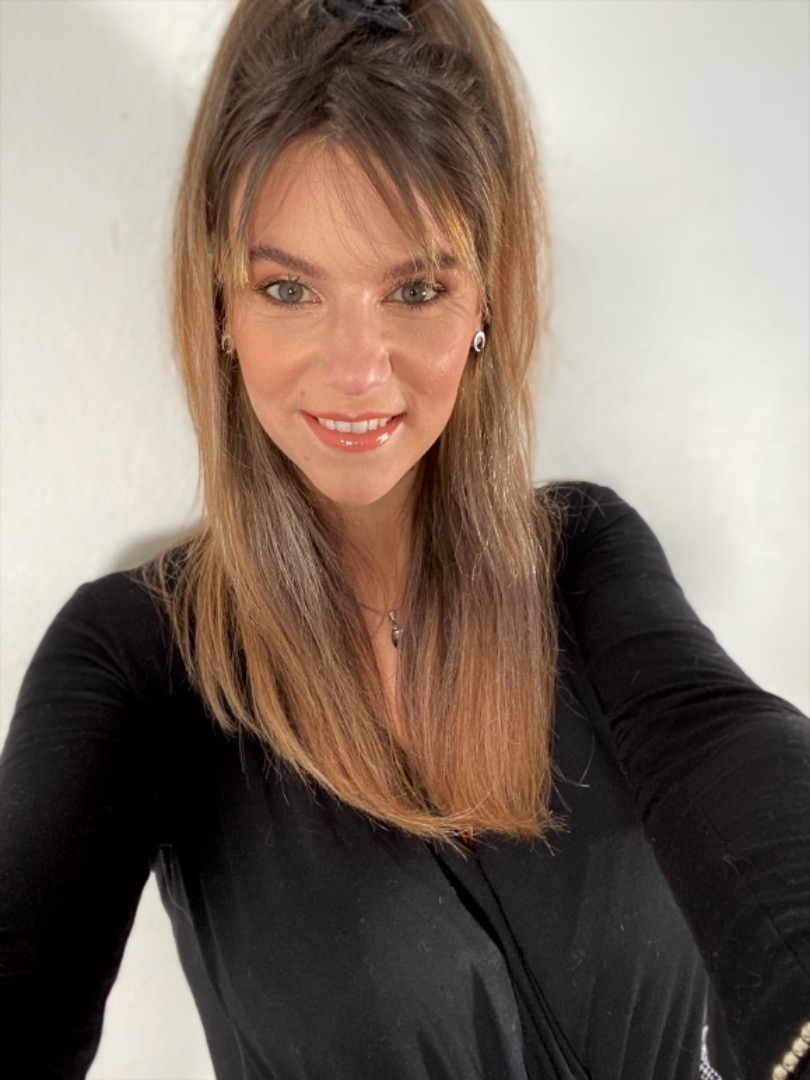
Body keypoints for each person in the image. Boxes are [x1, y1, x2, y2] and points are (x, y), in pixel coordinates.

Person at [1, 0, 808, 1077]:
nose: (356, 370)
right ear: (222, 306)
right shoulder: (136, 660)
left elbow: (721, 741)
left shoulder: (583, 560)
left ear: (485, 302)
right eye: (289, 288)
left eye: (416, 288)